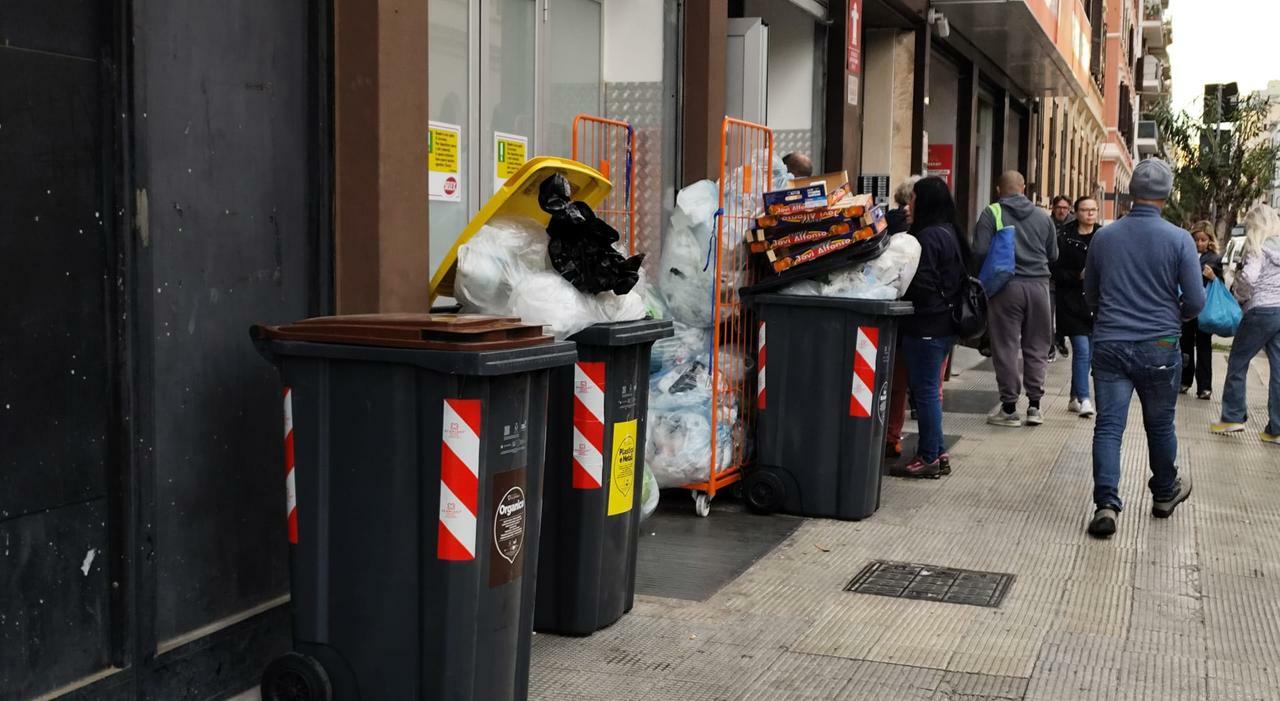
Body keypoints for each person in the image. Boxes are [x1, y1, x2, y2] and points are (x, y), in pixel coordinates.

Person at [1083, 158, 1203, 539]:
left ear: (1131, 193)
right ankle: (1165, 494)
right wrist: (1174, 318)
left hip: (1111, 343)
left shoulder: (1104, 236)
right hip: (1161, 344)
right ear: (1166, 197)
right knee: (1160, 424)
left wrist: (1108, 317)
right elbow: (1197, 301)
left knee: (1108, 427)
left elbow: (1091, 293)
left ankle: (1106, 504)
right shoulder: (1180, 239)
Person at [894, 176, 970, 478]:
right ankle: (938, 451)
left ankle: (927, 458)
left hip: (927, 325)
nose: (909, 204)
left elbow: (921, 284)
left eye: (913, 198)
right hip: (944, 324)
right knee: (930, 391)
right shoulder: (951, 232)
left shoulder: (927, 237)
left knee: (925, 392)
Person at [973, 171, 1059, 427]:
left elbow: (978, 250)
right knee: (1037, 345)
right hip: (1039, 287)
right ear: (1023, 188)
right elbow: (1053, 254)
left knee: (1007, 346)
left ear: (999, 189)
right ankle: (1035, 406)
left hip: (1006, 288)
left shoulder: (992, 212)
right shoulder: (1044, 217)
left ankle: (1009, 408)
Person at [1211, 204, 1280, 445]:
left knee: (1238, 363)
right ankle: (1276, 429)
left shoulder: (1257, 249)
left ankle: (1232, 417)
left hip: (1259, 310)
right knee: (1279, 371)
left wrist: (1238, 294)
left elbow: (1249, 278)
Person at [1052, 196, 1101, 418]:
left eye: (1093, 210)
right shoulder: (1064, 237)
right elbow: (1055, 270)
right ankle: (1084, 398)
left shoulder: (1103, 236)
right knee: (1081, 350)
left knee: (1088, 353)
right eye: (1085, 210)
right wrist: (1077, 276)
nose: (1090, 214)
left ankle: (1073, 397)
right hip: (1071, 303)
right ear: (1077, 212)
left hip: (1094, 304)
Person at [1180, 221, 1224, 399]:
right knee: (1185, 345)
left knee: (1204, 347)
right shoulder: (1187, 254)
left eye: (1203, 240)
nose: (1199, 243)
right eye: (1196, 239)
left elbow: (1220, 284)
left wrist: (1213, 277)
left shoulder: (1213, 258)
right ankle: (1184, 380)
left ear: (1210, 240)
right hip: (1188, 307)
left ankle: (1204, 386)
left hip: (1205, 309)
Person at [1049, 195, 1074, 360]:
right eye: (1059, 207)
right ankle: (1049, 345)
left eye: (1065, 208)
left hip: (1067, 276)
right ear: (1053, 207)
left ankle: (1060, 338)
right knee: (1048, 313)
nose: (1062, 211)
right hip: (1050, 275)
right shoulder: (1047, 223)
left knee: (1064, 312)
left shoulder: (1073, 225)